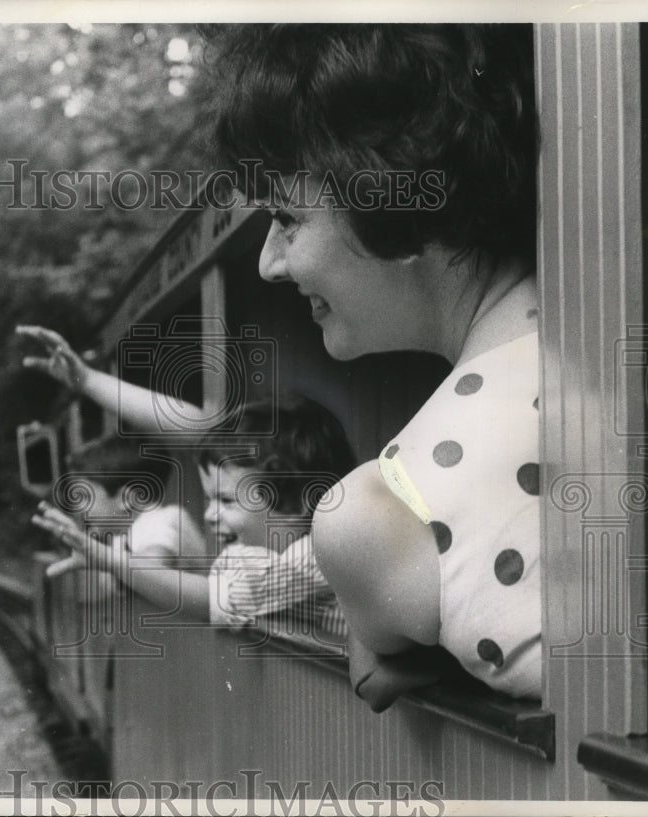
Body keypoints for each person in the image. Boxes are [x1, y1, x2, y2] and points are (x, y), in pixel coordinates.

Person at [203, 23, 542, 709]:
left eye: (286, 218)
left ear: (390, 200)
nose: (269, 263)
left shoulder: (374, 513)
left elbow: (379, 675)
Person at [24, 378, 355, 636]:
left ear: (296, 504)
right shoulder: (279, 559)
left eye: (226, 500)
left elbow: (211, 598)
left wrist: (110, 561)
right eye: (210, 500)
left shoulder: (312, 559)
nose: (209, 515)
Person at [43, 434, 206, 580]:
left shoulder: (167, 519)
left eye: (85, 497)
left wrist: (103, 559)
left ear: (126, 499)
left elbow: (155, 565)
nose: (78, 507)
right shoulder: (121, 538)